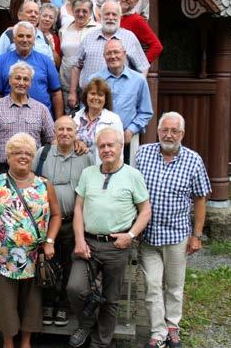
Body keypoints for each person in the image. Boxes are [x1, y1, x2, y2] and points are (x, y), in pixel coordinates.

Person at [67, 128, 151, 348]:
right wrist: (79, 240)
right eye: (102, 146)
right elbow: (78, 209)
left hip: (116, 245)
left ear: (120, 147)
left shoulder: (133, 175)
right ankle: (86, 324)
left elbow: (145, 211)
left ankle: (100, 342)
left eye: (110, 145)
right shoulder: (88, 173)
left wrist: (131, 235)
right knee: (75, 288)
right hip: (88, 243)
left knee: (111, 298)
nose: (106, 150)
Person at [0, 133, 62, 348]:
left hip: (35, 258)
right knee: (6, 303)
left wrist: (50, 240)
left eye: (27, 152)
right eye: (17, 152)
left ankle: (25, 342)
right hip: (4, 259)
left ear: (33, 156)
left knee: (31, 303)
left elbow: (56, 215)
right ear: (8, 156)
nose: (23, 156)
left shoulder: (44, 185)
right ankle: (8, 342)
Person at [135, 112, 211, 348]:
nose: (168, 135)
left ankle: (172, 327)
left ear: (182, 134)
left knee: (175, 285)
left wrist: (196, 235)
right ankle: (158, 333)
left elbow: (200, 198)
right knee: (153, 286)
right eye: (164, 130)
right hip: (148, 236)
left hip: (177, 235)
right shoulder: (143, 154)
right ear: (157, 131)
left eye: (174, 131)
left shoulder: (193, 160)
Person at [32, 116, 95, 327]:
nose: (65, 133)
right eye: (61, 129)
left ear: (76, 133)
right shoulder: (43, 153)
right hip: (46, 222)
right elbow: (32, 180)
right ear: (54, 132)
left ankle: (64, 306)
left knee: (69, 265)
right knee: (47, 264)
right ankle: (48, 304)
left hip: (73, 221)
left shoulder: (85, 155)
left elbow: (92, 186)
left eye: (69, 129)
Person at [68, 0, 150, 109]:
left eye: (114, 14)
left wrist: (136, 88)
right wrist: (72, 92)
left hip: (121, 102)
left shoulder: (129, 38)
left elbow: (143, 67)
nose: (110, 17)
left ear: (120, 17)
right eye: (107, 14)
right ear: (100, 16)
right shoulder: (89, 37)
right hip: (90, 98)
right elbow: (76, 65)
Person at [0, 61, 55, 176]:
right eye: (17, 78)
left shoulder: (42, 109)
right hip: (3, 170)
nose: (21, 83)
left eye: (26, 79)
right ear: (9, 80)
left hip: (33, 170)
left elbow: (53, 140)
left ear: (31, 83)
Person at [91, 39, 153, 165]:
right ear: (104, 56)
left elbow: (145, 112)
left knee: (125, 175)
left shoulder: (139, 80)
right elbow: (87, 109)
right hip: (99, 138)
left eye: (116, 52)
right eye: (108, 53)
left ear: (124, 54)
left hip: (127, 138)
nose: (112, 56)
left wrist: (131, 130)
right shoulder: (94, 80)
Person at [0, 21, 64, 118]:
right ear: (14, 39)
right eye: (20, 36)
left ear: (34, 39)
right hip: (9, 118)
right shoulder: (1, 61)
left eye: (28, 36)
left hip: (41, 118)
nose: (24, 40)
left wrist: (58, 121)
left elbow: (56, 93)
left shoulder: (46, 61)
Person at [59, 0, 99, 111]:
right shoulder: (64, 29)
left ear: (91, 12)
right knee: (69, 115)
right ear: (72, 11)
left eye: (85, 11)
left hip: (89, 82)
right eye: (77, 11)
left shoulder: (98, 29)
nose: (81, 14)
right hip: (66, 80)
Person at [73, 78, 123, 163]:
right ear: (86, 96)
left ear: (105, 99)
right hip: (76, 167)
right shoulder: (74, 117)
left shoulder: (114, 120)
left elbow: (119, 151)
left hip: (102, 169)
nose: (96, 97)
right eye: (92, 93)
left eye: (100, 95)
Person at [119, 0, 163, 64]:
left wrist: (142, 66)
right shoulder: (112, 15)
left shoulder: (137, 20)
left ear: (136, 2)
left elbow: (157, 46)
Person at [38, 3, 61, 68]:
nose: (47, 19)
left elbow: (58, 64)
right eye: (44, 16)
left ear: (54, 21)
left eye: (51, 17)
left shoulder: (55, 39)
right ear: (39, 16)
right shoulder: (30, 32)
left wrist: (51, 48)